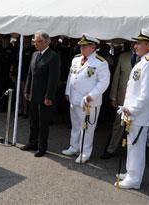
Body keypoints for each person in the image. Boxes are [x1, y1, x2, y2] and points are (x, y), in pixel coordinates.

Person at [115, 29, 149, 189]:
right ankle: (131, 172)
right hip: (134, 113)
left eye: (138, 43)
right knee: (132, 145)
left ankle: (134, 179)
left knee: (137, 146)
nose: (135, 46)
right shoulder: (145, 61)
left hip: (139, 114)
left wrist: (132, 109)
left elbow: (147, 94)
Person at [62, 34, 110, 163]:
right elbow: (71, 76)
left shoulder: (100, 62)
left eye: (84, 45)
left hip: (89, 102)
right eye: (81, 45)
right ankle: (74, 147)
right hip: (74, 98)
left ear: (93, 47)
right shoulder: (76, 59)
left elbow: (104, 82)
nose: (81, 48)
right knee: (76, 125)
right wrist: (68, 91)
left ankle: (85, 152)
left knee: (87, 129)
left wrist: (91, 95)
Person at [20, 31, 60, 157]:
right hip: (33, 93)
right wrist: (27, 90)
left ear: (47, 42)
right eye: (34, 41)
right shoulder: (34, 54)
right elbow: (30, 74)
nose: (35, 44)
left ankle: (42, 147)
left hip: (44, 96)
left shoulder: (53, 56)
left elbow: (53, 79)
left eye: (38, 41)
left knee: (43, 123)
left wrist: (48, 96)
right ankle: (32, 142)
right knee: (33, 120)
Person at [101, 42, 137, 159]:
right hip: (122, 97)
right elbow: (116, 77)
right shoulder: (123, 56)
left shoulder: (147, 59)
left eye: (137, 43)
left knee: (135, 127)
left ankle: (132, 154)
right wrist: (113, 96)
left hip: (137, 99)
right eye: (133, 43)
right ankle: (111, 149)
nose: (134, 45)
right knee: (118, 124)